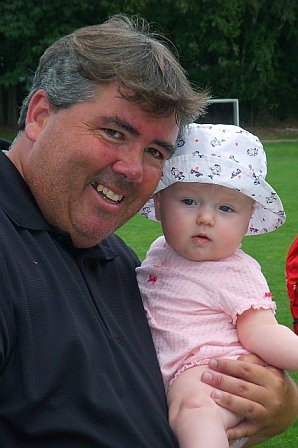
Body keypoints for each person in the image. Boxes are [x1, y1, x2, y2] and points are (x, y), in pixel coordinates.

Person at [0, 14, 297, 447]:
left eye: (156, 151)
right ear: (41, 115)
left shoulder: (119, 256)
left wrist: (280, 402)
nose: (135, 170)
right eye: (114, 132)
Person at [137, 123, 298, 448]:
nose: (206, 218)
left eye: (225, 208)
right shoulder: (158, 251)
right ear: (158, 202)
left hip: (212, 367)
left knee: (196, 409)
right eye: (188, 201)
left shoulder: (235, 271)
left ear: (248, 217)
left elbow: (261, 331)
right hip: (164, 370)